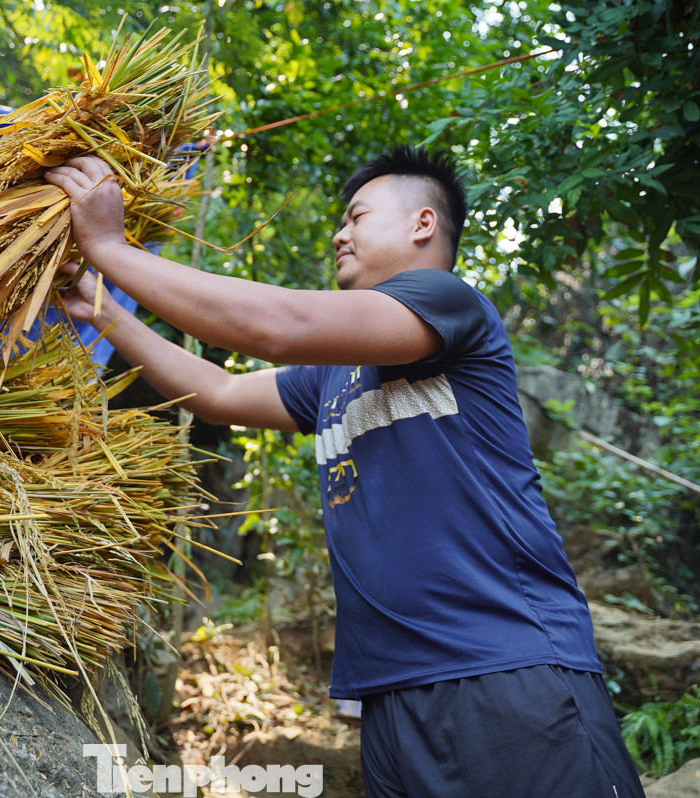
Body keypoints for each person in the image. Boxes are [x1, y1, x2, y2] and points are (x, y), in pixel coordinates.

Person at [44, 146, 645, 798]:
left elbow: (280, 325)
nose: (339, 232)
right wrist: (105, 310)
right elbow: (218, 392)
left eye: (356, 215)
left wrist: (109, 245)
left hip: (502, 669)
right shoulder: (332, 375)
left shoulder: (449, 302)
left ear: (421, 224)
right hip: (386, 694)